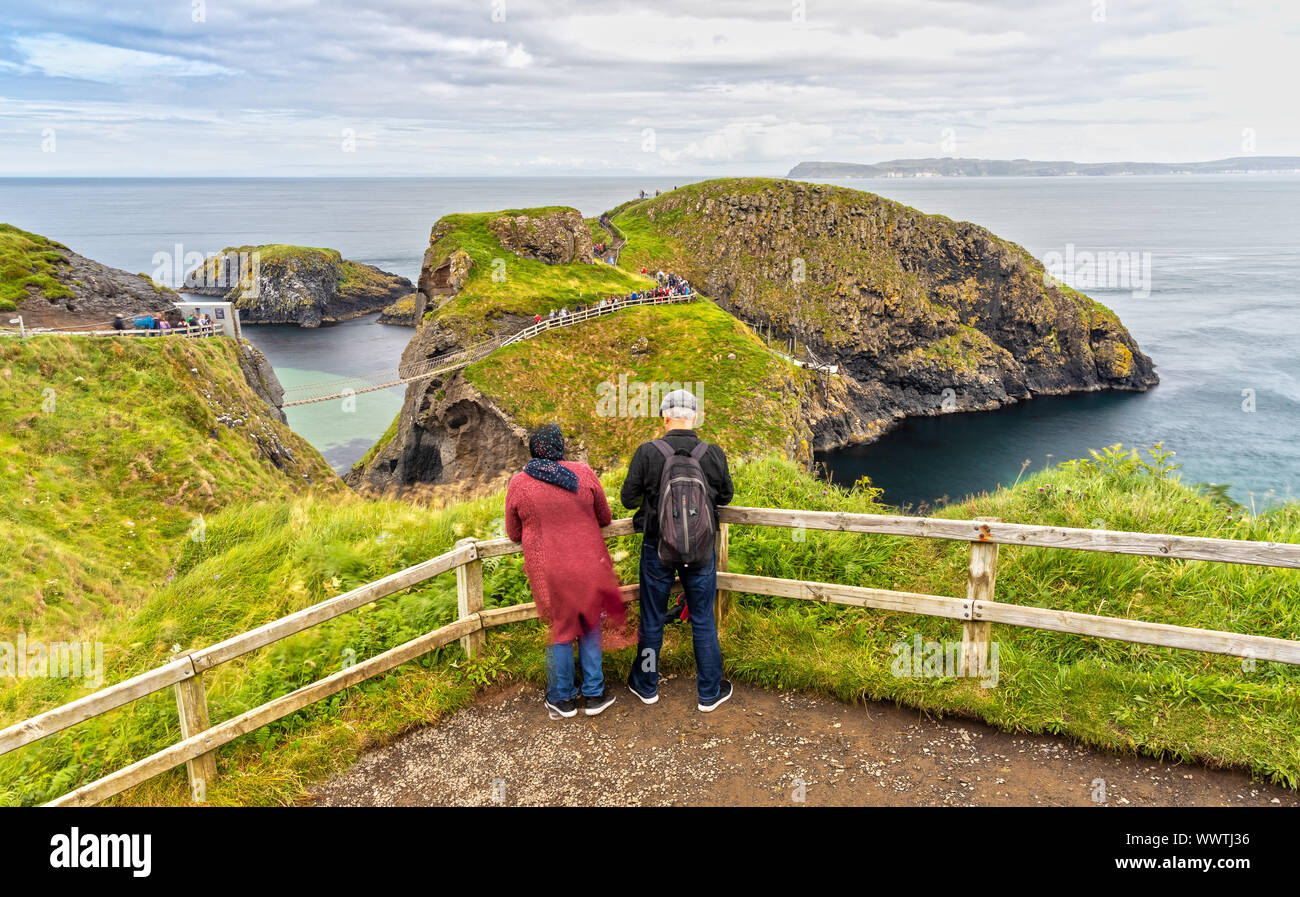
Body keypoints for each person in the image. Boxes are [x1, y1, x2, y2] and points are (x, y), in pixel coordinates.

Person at [621, 389, 734, 712]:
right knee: (702, 619)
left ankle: (646, 685)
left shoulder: (647, 452)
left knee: (652, 618)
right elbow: (725, 496)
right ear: (695, 418)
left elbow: (628, 499)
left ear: (665, 418)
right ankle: (709, 692)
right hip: (700, 551)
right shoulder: (712, 453)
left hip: (657, 548)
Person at [505, 424, 624, 719]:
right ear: (560, 448)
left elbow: (512, 532)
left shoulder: (520, 483)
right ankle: (595, 694)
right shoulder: (583, 473)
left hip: (550, 570)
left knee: (562, 629)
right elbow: (605, 517)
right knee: (590, 625)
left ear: (533, 450)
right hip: (588, 564)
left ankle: (563, 698)